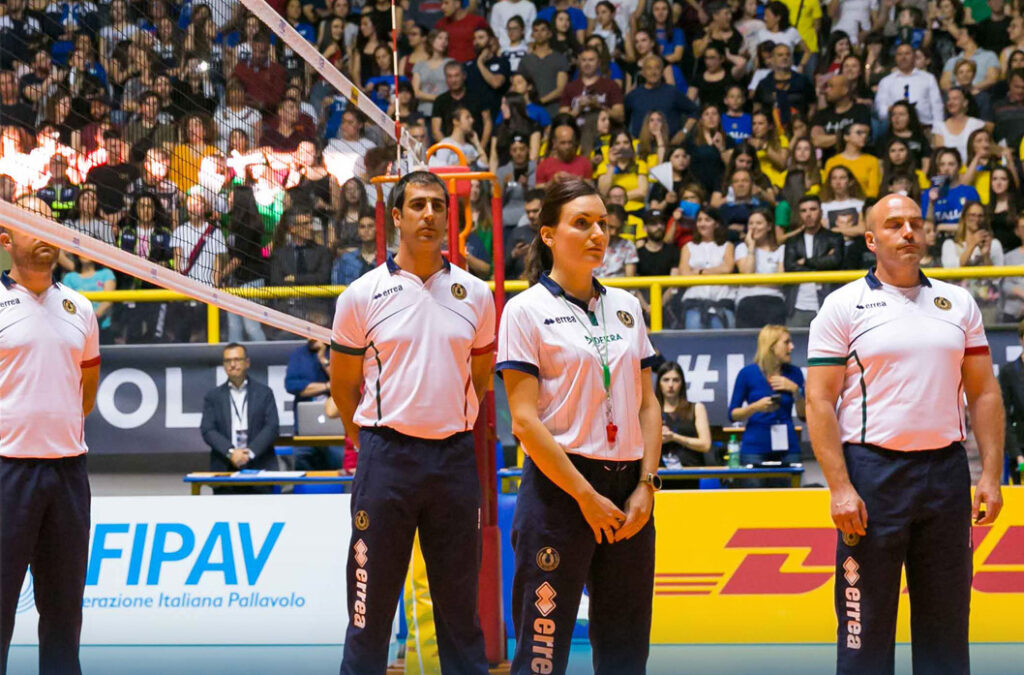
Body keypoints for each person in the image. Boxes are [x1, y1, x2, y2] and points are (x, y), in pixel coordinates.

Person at [805, 192, 1004, 674]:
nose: (909, 232)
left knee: (947, 625)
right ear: (871, 239)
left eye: (916, 223)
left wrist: (992, 477)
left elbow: (984, 395)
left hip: (945, 473)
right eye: (895, 225)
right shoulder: (843, 305)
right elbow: (819, 401)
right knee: (864, 629)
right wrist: (840, 488)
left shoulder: (957, 302)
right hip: (872, 474)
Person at [330, 171, 494, 675]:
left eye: (437, 206)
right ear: (396, 216)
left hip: (452, 461)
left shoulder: (477, 294)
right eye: (417, 205)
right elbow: (343, 385)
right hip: (386, 460)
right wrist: (370, 439)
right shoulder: (360, 295)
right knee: (368, 613)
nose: (429, 214)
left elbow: (481, 378)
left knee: (460, 615)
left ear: (448, 216)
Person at [496, 177, 661, 674]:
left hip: (630, 492)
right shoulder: (524, 311)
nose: (597, 235)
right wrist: (585, 496)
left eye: (603, 225)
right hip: (559, 490)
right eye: (582, 223)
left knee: (626, 655)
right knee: (542, 656)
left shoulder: (628, 306)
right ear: (548, 235)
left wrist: (647, 485)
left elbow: (649, 405)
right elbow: (523, 421)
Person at [0, 197, 100, 675]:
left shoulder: (80, 307)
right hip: (7, 473)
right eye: (29, 224)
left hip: (67, 475)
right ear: (5, 240)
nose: (43, 233)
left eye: (49, 224)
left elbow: (85, 395)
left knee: (64, 614)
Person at [728, 325, 805, 485]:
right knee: (754, 504)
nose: (791, 347)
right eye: (786, 343)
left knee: (786, 505)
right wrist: (754, 407)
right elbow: (732, 414)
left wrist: (796, 390)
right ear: (772, 346)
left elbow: (803, 415)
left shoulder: (795, 373)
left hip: (787, 448)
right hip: (755, 448)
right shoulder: (747, 374)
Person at [200, 343, 281, 493]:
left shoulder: (264, 393)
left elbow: (272, 427)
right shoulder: (213, 397)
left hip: (259, 465)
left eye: (237, 359)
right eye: (227, 361)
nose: (232, 364)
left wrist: (248, 453)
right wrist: (231, 452)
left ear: (247, 363)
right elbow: (207, 430)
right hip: (225, 467)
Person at [784, 195, 845, 326]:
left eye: (813, 209)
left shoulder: (834, 237)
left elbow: (835, 261)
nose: (808, 214)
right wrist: (822, 262)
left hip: (828, 304)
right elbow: (790, 267)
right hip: (798, 306)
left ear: (821, 212)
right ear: (799, 214)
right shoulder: (792, 241)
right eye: (803, 211)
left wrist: (805, 262)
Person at [286, 339, 343, 470]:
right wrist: (327, 386)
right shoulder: (298, 354)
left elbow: (341, 382)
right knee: (300, 457)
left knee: (339, 461)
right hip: (305, 433)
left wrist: (323, 358)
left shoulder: (337, 352)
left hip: (336, 430)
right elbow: (292, 385)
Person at [656, 362, 711, 488]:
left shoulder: (696, 408)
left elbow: (705, 444)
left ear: (682, 383)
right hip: (659, 475)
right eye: (666, 380)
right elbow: (641, 445)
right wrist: (658, 439)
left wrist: (675, 437)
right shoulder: (651, 411)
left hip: (690, 473)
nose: (671, 385)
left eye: (675, 380)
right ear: (659, 383)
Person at [735, 208, 787, 328]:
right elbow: (747, 275)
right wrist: (751, 247)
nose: (754, 227)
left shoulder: (781, 250)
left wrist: (755, 280)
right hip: (747, 301)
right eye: (751, 223)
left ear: (769, 227)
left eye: (758, 223)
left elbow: (780, 281)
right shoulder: (742, 248)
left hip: (774, 300)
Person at [875, 42, 946, 129]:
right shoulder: (886, 81)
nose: (903, 57)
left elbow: (937, 108)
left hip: (924, 128)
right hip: (896, 130)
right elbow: (880, 109)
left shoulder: (928, 78)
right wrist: (892, 110)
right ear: (895, 58)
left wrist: (938, 131)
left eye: (907, 54)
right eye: (899, 54)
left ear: (914, 56)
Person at [998, 319, 1024, 485]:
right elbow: (1004, 415)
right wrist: (1017, 454)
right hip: (1020, 451)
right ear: (1021, 339)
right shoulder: (1009, 372)